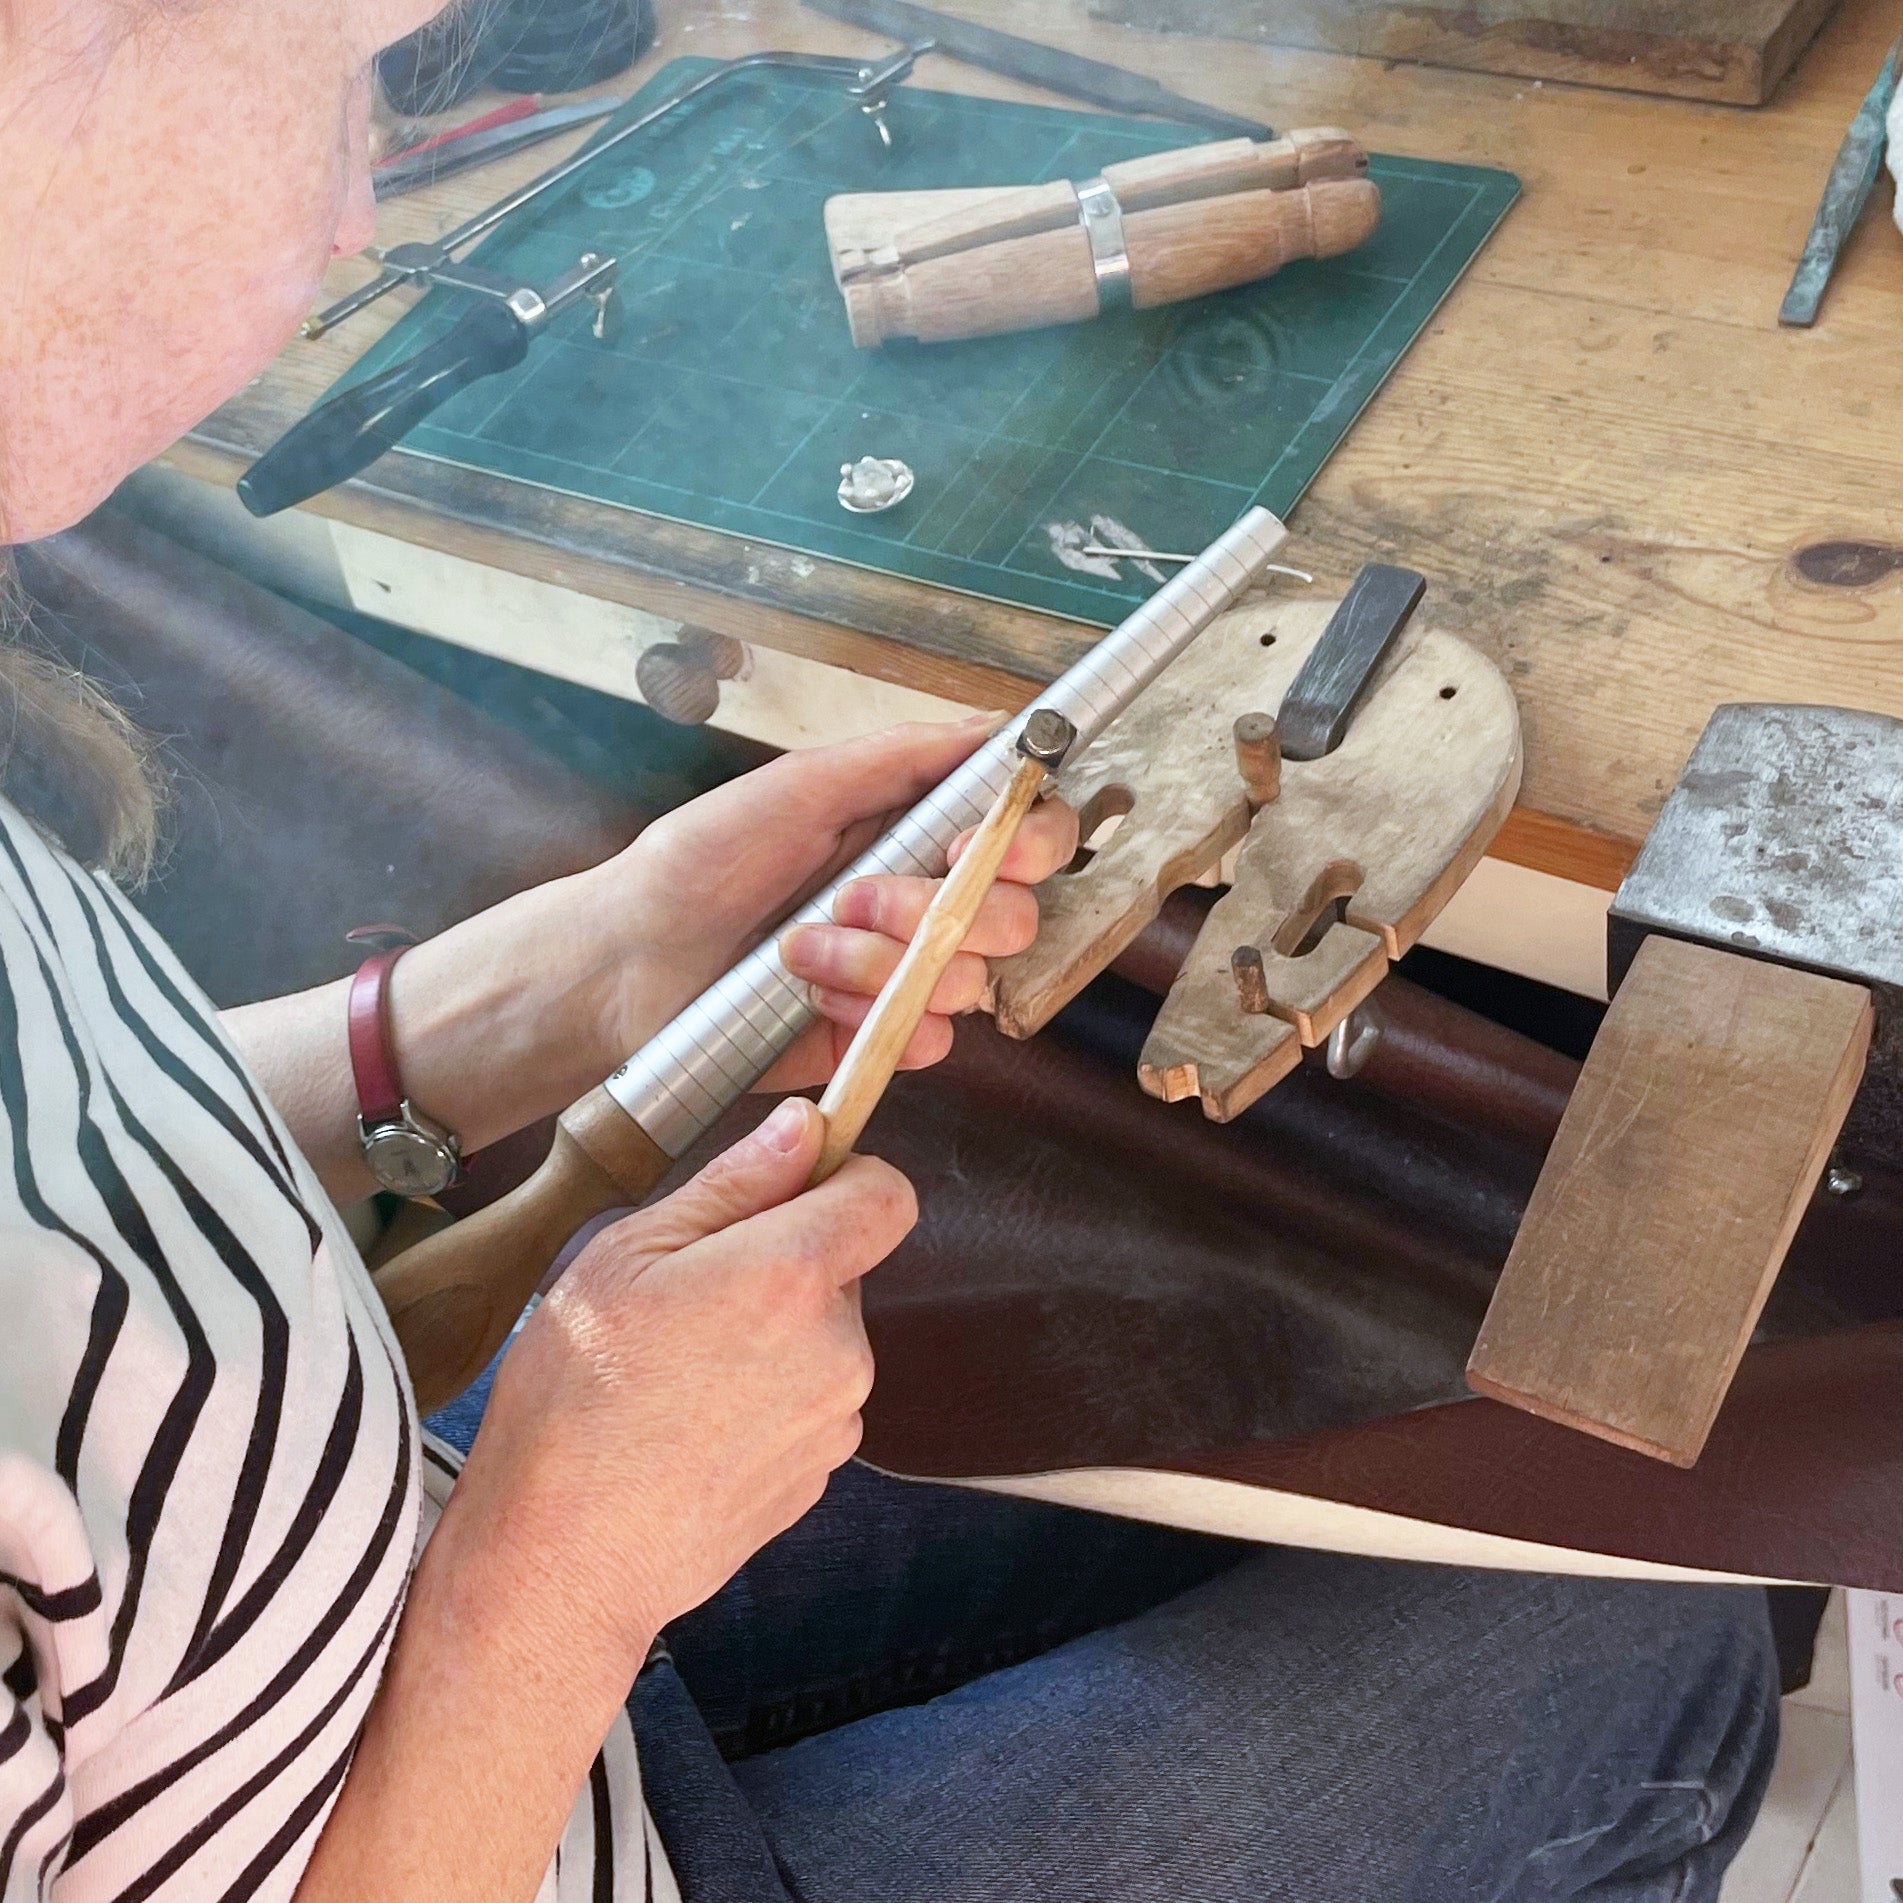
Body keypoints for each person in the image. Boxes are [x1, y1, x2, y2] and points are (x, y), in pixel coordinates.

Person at [0, 2, 1782, 1898]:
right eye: (347, 57)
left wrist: (565, 984)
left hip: (390, 1575)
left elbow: (55, 1191)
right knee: (1647, 1642)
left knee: (1367, 1441)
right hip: (482, 1800)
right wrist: (559, 1586)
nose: (365, 201)